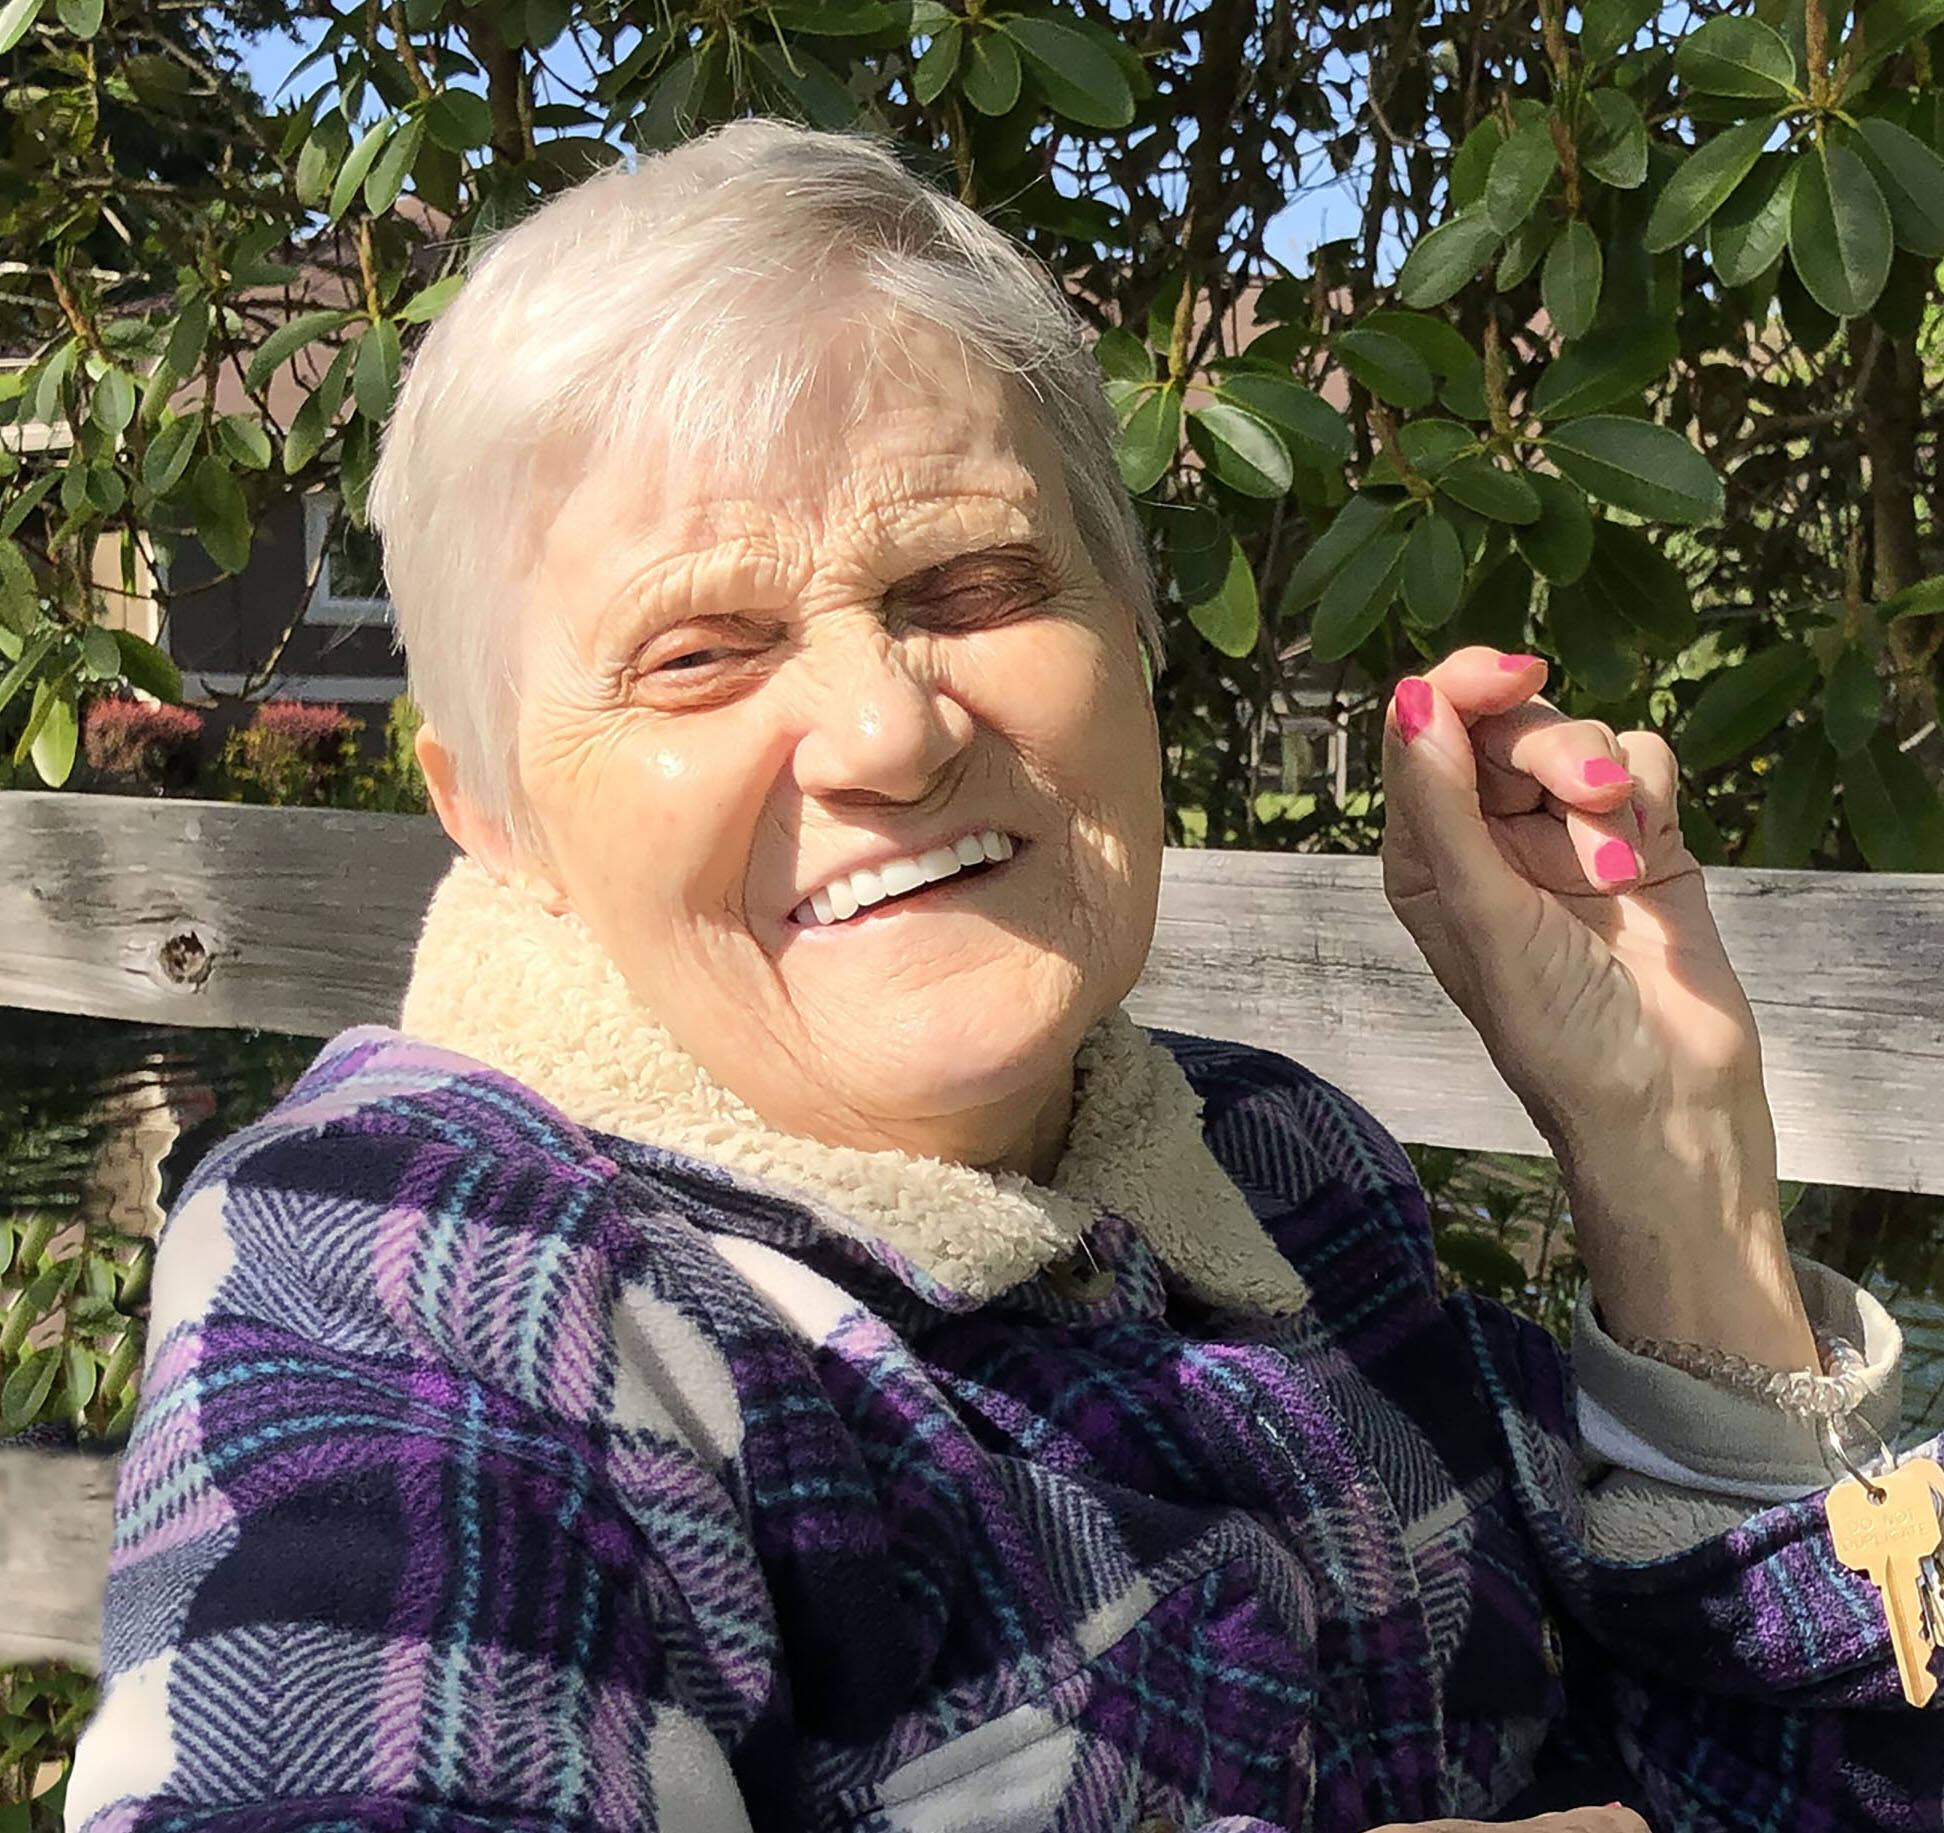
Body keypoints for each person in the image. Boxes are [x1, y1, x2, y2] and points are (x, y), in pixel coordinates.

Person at [70, 121, 1936, 1833]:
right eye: (700, 650)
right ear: (492, 812)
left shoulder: (1287, 1170)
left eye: (969, 585)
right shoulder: (423, 1265)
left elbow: (1822, 1782)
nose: (891, 729)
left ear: (1129, 635)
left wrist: (1665, 1151)